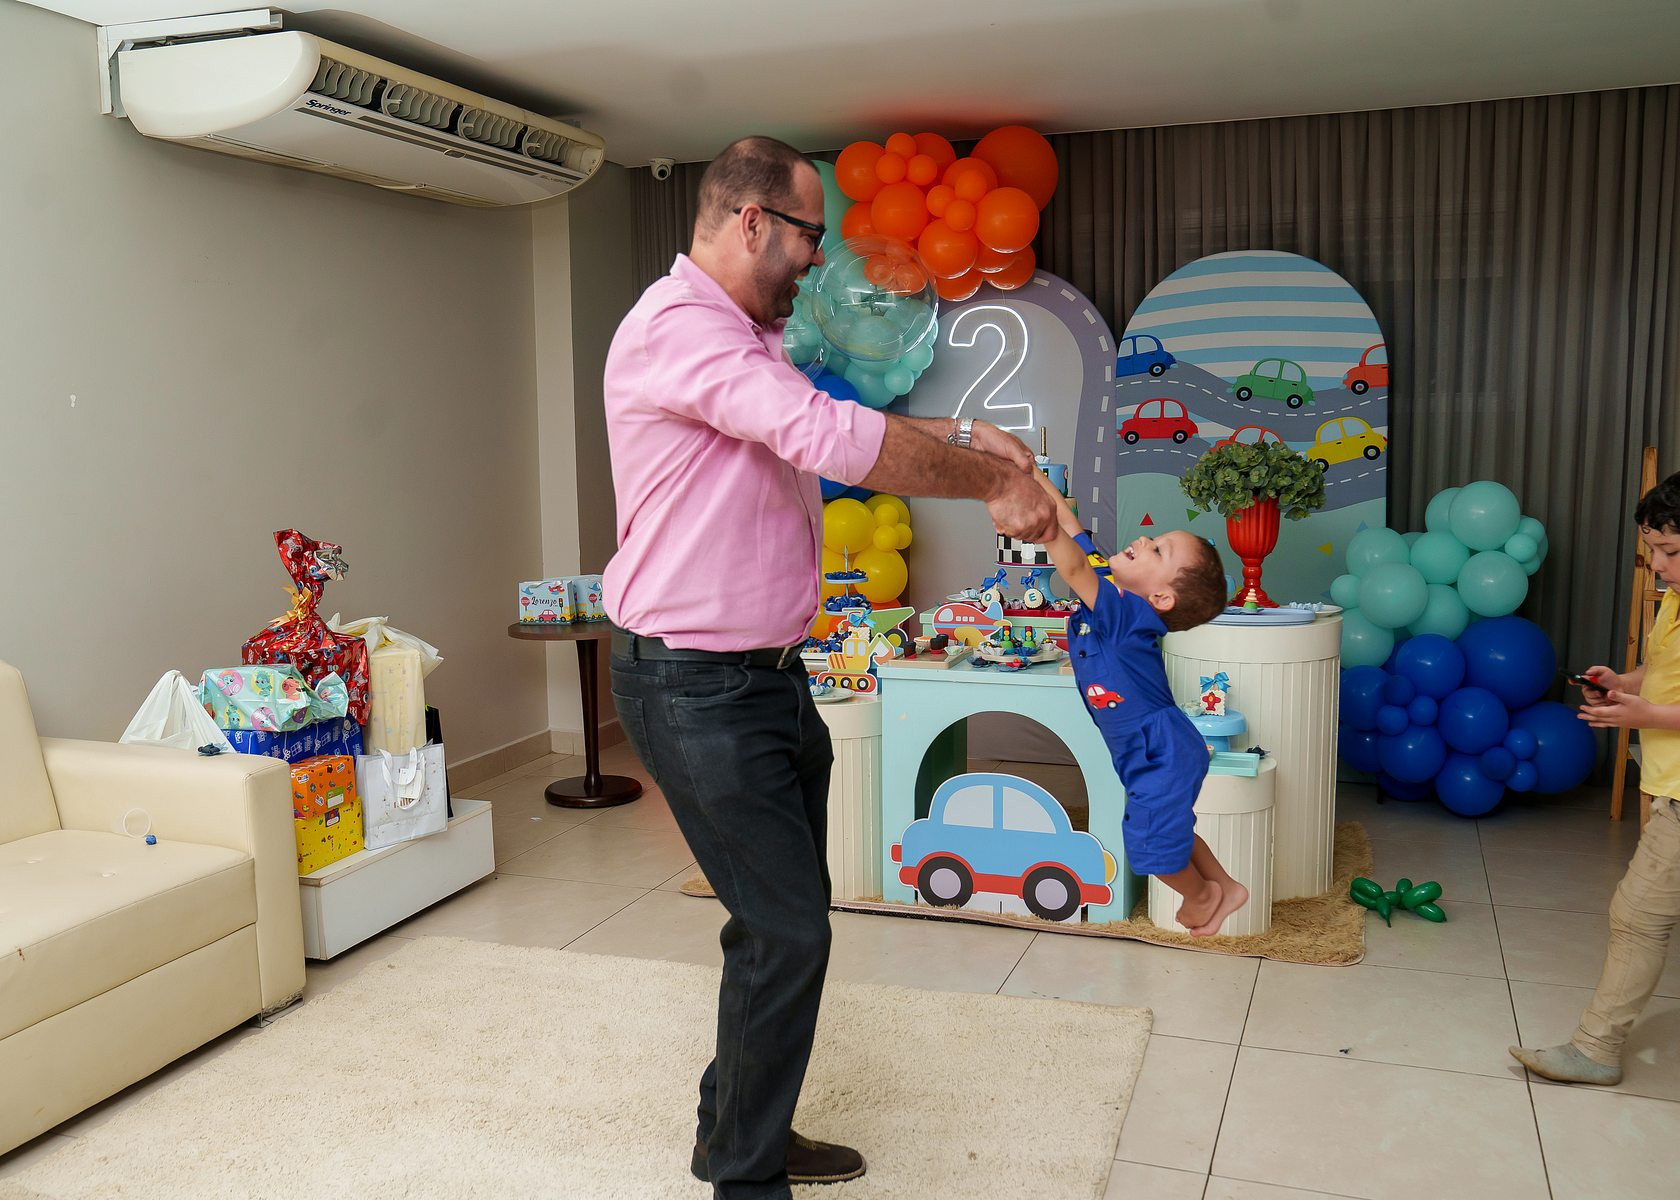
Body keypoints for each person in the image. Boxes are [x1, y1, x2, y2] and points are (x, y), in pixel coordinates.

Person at [600, 135, 1057, 1199]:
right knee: (786, 931)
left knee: (781, 924)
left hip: (766, 677)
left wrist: (963, 430)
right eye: (811, 236)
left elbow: (826, 427)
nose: (818, 260)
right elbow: (822, 436)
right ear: (754, 221)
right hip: (696, 685)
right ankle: (745, 1177)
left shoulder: (744, 338)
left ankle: (740, 1127)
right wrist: (992, 487)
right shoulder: (679, 328)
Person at [1510, 470, 1680, 1086]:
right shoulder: (1675, 600)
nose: (1657, 566)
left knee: (1638, 916)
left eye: (1670, 551)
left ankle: (1596, 1050)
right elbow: (1661, 673)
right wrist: (1622, 685)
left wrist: (1647, 716)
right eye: (1652, 551)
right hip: (1669, 787)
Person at [1031, 471, 1245, 934]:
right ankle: (1225, 886)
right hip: (1153, 749)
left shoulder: (1127, 612)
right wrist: (1035, 482)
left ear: (1161, 597)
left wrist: (1038, 521)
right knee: (1169, 826)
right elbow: (1072, 528)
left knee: (1149, 841)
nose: (1145, 539)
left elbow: (1071, 566)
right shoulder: (1111, 589)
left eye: (1159, 550)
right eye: (1156, 540)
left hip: (1159, 749)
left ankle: (1201, 895)